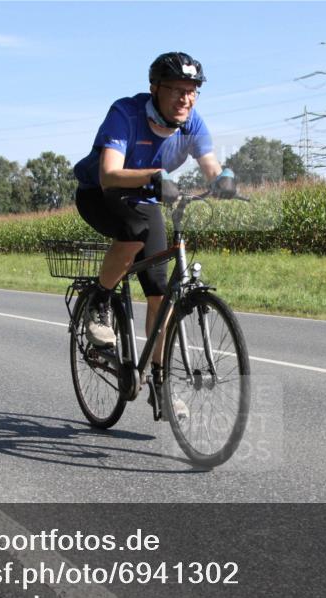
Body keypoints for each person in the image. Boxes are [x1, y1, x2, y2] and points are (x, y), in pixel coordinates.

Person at [72, 52, 236, 417]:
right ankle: (100, 302)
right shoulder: (126, 114)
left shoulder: (191, 123)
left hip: (147, 199)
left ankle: (160, 388)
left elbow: (210, 165)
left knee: (161, 295)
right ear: (155, 89)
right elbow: (109, 173)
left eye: (192, 91)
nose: (186, 98)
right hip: (100, 193)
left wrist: (224, 181)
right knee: (134, 230)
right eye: (177, 89)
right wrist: (154, 177)